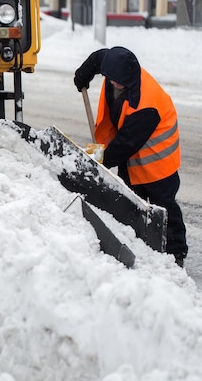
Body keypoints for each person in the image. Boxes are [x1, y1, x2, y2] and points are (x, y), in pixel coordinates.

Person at [73, 46, 187, 267]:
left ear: (128, 79)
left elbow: (124, 146)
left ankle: (176, 252)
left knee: (163, 205)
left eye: (118, 82)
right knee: (130, 198)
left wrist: (97, 161)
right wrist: (84, 73)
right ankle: (138, 242)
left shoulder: (145, 106)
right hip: (132, 152)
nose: (113, 83)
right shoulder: (118, 65)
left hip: (158, 159)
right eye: (110, 78)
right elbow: (99, 58)